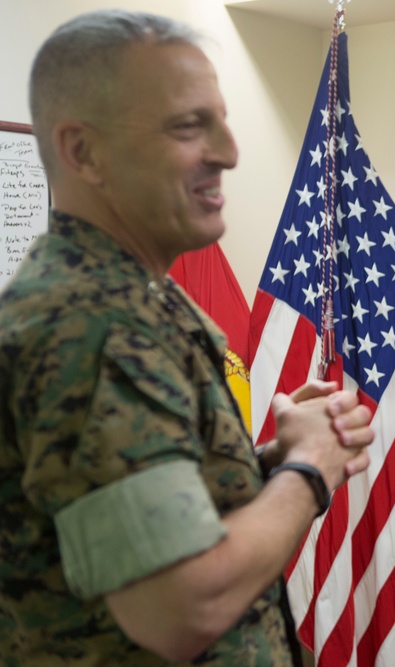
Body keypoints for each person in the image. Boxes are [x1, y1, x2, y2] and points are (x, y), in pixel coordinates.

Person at [0, 10, 374, 666]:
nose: (229, 151)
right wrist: (309, 468)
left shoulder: (136, 298)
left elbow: (137, 519)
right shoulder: (92, 327)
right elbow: (181, 606)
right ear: (82, 150)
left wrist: (268, 460)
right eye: (187, 126)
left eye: (222, 120)